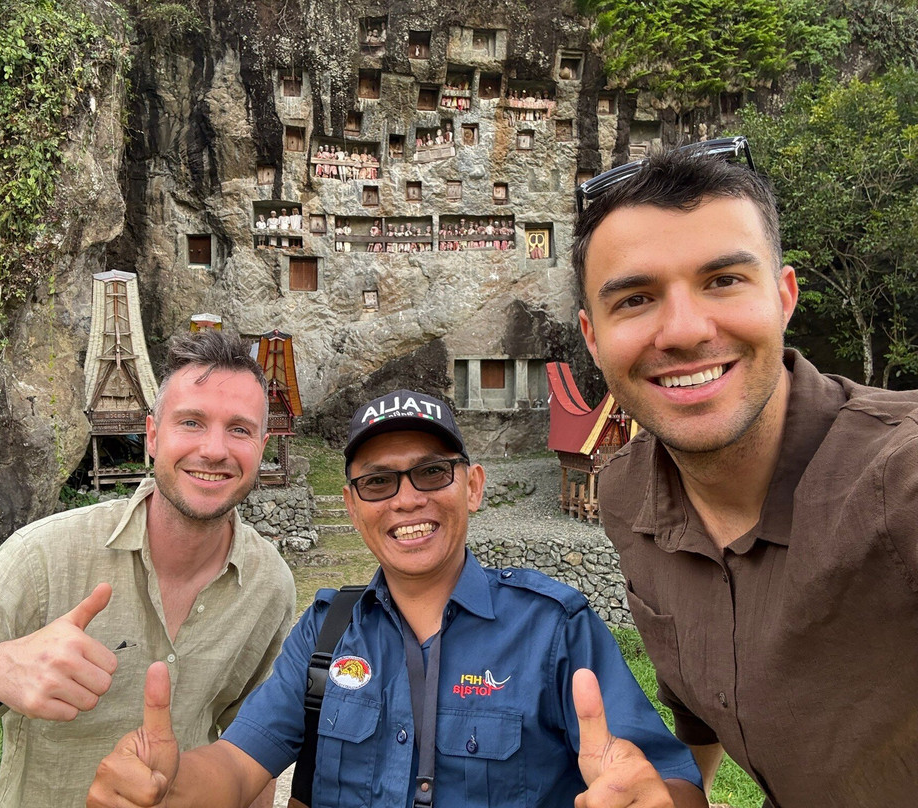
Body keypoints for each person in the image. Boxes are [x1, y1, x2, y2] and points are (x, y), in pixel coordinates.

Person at [87, 390, 706, 808]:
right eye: (378, 482)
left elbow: (673, 784)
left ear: (474, 487)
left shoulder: (554, 628)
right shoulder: (327, 631)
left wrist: (650, 796)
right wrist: (168, 786)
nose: (406, 500)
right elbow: (236, 765)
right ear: (354, 506)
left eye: (432, 472)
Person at [572, 139, 918, 807]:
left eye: (723, 280)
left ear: (784, 297)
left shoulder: (897, 480)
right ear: (592, 338)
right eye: (636, 299)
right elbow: (695, 691)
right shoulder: (627, 494)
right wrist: (680, 792)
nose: (682, 329)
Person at [0, 330, 296, 808]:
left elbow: (251, 755)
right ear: (152, 435)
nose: (214, 449)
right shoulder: (42, 557)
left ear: (262, 444)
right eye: (190, 422)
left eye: (239, 429)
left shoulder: (269, 586)